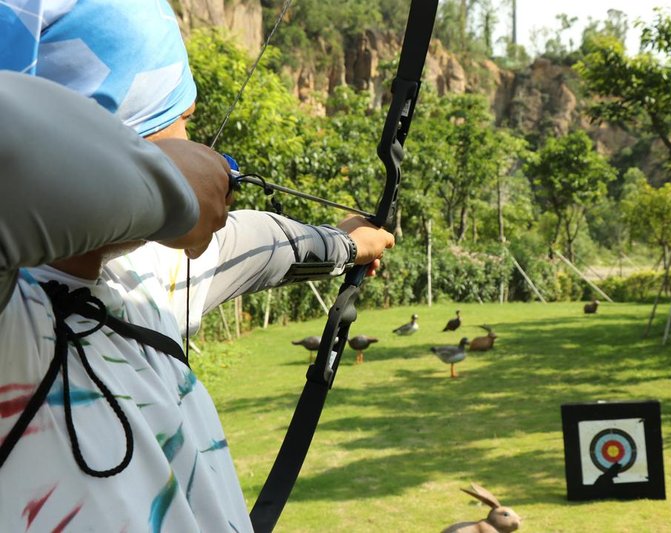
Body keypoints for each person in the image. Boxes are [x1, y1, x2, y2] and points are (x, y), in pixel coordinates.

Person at [0, 3, 395, 532]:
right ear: (121, 133)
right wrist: (169, 187)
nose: (199, 144)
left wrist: (347, 245)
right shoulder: (11, 314)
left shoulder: (144, 274)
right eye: (182, 119)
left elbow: (263, 243)